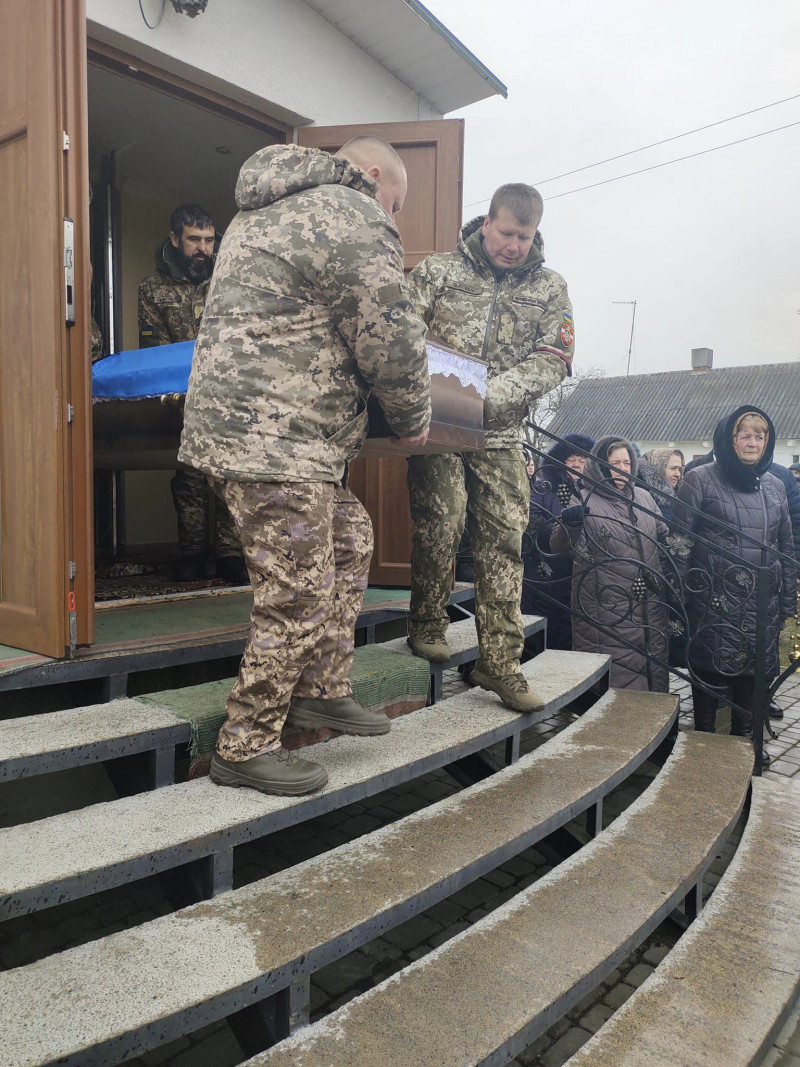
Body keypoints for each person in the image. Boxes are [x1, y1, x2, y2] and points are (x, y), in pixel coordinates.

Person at [178, 138, 431, 796]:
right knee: (295, 588)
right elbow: (390, 337)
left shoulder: (265, 210)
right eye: (397, 204)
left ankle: (319, 688)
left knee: (350, 535)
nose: (394, 218)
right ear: (374, 177)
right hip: (274, 436)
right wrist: (414, 418)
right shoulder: (351, 211)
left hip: (264, 431)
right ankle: (246, 742)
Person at [405, 183, 574, 712]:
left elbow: (555, 356)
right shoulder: (439, 272)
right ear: (486, 223)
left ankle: (499, 663)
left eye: (524, 237)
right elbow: (400, 330)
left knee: (504, 539)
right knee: (444, 517)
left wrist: (493, 394)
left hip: (500, 430)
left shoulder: (549, 287)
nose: (514, 245)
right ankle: (427, 619)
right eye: (506, 233)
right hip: (439, 422)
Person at [672, 407, 796, 756]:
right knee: (710, 671)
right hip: (713, 600)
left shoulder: (774, 486)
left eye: (760, 436)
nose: (752, 442)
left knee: (754, 676)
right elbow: (680, 542)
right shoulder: (700, 479)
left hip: (763, 602)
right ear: (730, 438)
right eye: (745, 434)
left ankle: (747, 742)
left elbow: (785, 546)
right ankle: (705, 741)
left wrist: (787, 601)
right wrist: (681, 599)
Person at [138, 203, 247, 584]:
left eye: (209, 240)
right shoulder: (153, 289)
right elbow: (156, 350)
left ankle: (232, 553)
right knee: (189, 475)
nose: (203, 248)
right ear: (174, 239)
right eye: (194, 240)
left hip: (230, 390)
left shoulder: (231, 280)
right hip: (179, 392)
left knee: (230, 472)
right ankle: (193, 552)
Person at [551, 437, 670, 692]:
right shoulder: (583, 499)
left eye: (627, 462)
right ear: (601, 466)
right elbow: (558, 547)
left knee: (652, 675)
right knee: (618, 688)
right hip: (607, 610)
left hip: (649, 605)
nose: (623, 468)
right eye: (615, 462)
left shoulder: (644, 496)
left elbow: (662, 533)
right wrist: (570, 525)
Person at [521, 433, 594, 650]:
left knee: (569, 629)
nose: (577, 466)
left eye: (583, 462)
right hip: (546, 570)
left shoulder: (591, 492)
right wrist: (558, 532)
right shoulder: (544, 487)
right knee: (543, 627)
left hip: (578, 572)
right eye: (572, 461)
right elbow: (532, 522)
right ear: (562, 462)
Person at [638, 448, 684, 522]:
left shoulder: (680, 495)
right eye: (673, 468)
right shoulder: (641, 494)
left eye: (680, 470)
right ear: (658, 468)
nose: (678, 474)